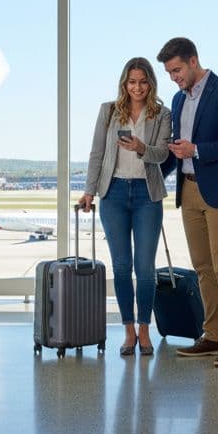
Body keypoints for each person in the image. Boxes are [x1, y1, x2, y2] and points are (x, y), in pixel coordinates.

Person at [157, 37, 218, 368]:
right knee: (203, 268)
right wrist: (151, 170)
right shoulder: (178, 100)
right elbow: (176, 150)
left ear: (194, 61)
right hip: (189, 189)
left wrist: (196, 150)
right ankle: (211, 335)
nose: (174, 78)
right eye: (170, 73)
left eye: (177, 70)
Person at [77, 58, 172, 356]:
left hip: (147, 195)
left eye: (143, 82)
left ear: (151, 83)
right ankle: (128, 330)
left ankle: (145, 329)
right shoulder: (108, 111)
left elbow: (161, 155)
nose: (138, 87)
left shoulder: (162, 114)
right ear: (124, 83)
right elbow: (97, 153)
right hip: (113, 193)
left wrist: (141, 147)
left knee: (145, 268)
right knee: (121, 267)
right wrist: (89, 192)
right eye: (132, 82)